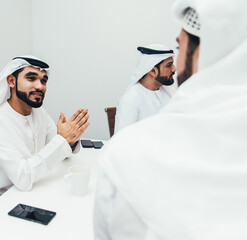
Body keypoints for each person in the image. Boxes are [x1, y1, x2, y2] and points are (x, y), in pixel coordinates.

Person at [94, 0, 247, 239]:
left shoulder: (121, 162)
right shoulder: (133, 99)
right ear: (151, 70)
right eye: (169, 64)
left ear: (200, 53)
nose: (175, 68)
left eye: (179, 48)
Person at [0, 56, 90, 217]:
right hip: (1, 204)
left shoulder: (39, 113)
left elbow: (57, 146)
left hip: (33, 189)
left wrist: (70, 141)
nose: (40, 86)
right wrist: (62, 140)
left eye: (44, 81)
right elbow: (23, 177)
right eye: (31, 78)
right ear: (11, 81)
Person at [114, 44, 176, 132]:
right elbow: (124, 141)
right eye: (169, 65)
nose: (174, 69)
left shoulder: (170, 92)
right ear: (153, 71)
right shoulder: (131, 99)